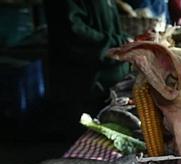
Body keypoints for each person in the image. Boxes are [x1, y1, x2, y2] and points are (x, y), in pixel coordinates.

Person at [44, 0, 130, 138]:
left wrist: (124, 40)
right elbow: (73, 32)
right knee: (84, 136)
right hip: (85, 84)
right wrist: (117, 43)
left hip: (110, 84)